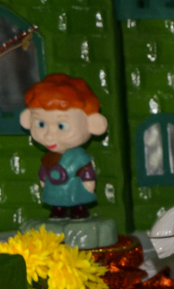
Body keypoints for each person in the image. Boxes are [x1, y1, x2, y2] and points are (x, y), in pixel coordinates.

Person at [20, 74, 109, 220]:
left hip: (76, 189)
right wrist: (43, 180)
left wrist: (88, 183)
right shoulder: (49, 157)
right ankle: (58, 211)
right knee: (56, 204)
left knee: (78, 203)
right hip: (54, 188)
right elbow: (44, 171)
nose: (49, 136)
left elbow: (86, 171)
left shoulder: (79, 157)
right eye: (41, 124)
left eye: (62, 126)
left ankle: (79, 209)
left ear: (92, 124)